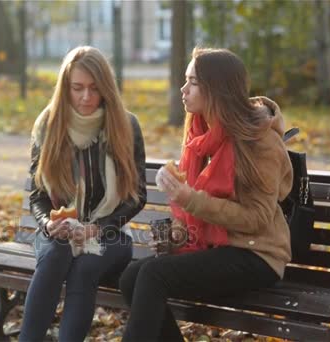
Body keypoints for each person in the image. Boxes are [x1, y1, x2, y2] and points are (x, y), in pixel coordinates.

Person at [119, 47, 293, 341]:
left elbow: (258, 219)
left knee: (152, 276)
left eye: (193, 82)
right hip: (217, 251)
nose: (183, 89)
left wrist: (190, 199)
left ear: (217, 89)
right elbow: (196, 212)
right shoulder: (200, 137)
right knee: (130, 278)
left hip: (256, 255)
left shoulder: (259, 143)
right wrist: (178, 232)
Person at [19, 46, 147, 342]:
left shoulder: (126, 125)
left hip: (110, 233)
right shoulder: (48, 125)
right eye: (77, 88)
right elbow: (38, 195)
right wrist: (49, 225)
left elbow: (137, 196)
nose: (86, 97)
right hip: (58, 231)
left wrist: (97, 228)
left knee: (86, 266)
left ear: (106, 89)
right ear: (66, 88)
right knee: (55, 255)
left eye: (94, 88)